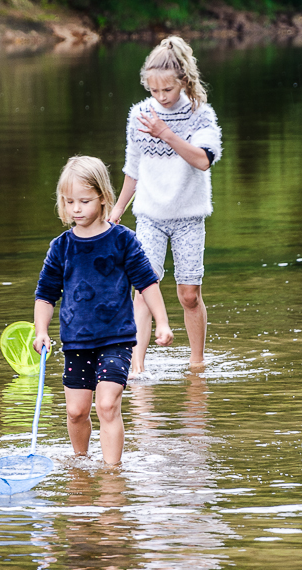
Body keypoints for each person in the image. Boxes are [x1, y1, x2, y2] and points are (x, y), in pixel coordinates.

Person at [33, 156, 173, 465]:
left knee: (107, 405)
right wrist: (41, 330)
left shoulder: (123, 240)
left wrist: (162, 322)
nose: (76, 209)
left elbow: (147, 283)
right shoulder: (61, 247)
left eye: (84, 201)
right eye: (69, 202)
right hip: (76, 342)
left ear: (103, 197)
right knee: (76, 411)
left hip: (117, 338)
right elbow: (45, 294)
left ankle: (112, 474)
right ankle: (81, 464)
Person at [107, 36, 222, 375]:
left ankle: (196, 365)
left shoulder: (201, 115)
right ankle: (137, 367)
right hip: (150, 216)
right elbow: (133, 170)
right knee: (142, 290)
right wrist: (116, 211)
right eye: (154, 91)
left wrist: (167, 133)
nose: (160, 97)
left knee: (188, 294)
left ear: (183, 82)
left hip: (189, 216)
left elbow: (203, 161)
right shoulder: (140, 115)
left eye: (167, 90)